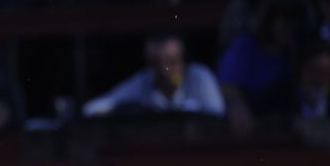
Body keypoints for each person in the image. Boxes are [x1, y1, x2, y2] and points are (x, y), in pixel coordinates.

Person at [82, 34, 225, 117]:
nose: (165, 69)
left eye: (172, 62)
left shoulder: (199, 77)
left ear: (183, 61)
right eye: (157, 63)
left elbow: (218, 117)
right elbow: (93, 108)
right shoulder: (144, 81)